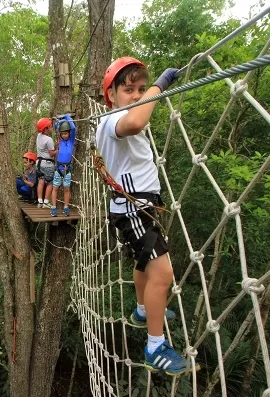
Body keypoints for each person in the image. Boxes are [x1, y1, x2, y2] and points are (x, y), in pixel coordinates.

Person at [96, 57, 194, 375]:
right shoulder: (111, 121)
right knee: (163, 275)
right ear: (110, 95)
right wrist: (158, 86)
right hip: (133, 210)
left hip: (140, 208)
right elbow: (136, 122)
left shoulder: (115, 119)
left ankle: (142, 310)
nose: (138, 95)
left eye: (141, 89)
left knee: (143, 264)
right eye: (129, 90)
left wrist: (146, 91)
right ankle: (154, 347)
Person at [50, 116, 76, 217]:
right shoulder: (59, 140)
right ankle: (53, 207)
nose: (64, 135)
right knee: (55, 188)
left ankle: (66, 207)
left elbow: (73, 127)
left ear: (69, 133)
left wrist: (66, 117)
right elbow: (56, 126)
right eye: (62, 134)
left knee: (66, 189)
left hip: (67, 169)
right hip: (59, 168)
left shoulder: (71, 141)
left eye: (66, 133)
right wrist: (60, 121)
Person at [35, 118, 56, 208]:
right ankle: (46, 202)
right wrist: (58, 150)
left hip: (39, 164)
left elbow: (46, 149)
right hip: (47, 164)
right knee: (51, 182)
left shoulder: (39, 136)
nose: (52, 128)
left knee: (41, 181)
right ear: (45, 129)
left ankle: (40, 201)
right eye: (50, 127)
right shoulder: (49, 139)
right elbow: (51, 154)